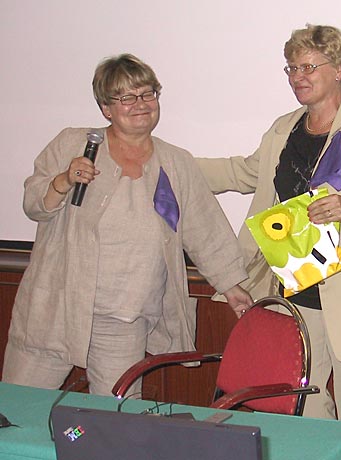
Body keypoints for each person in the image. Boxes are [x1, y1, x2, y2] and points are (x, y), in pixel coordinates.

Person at [197, 25, 341, 427]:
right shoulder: (284, 128)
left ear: (340, 69)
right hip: (297, 293)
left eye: (308, 67)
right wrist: (172, 165)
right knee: (302, 412)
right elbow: (245, 172)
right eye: (291, 68)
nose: (297, 77)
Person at [2, 53, 252, 396]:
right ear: (106, 108)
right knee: (19, 407)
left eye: (148, 93)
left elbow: (204, 228)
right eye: (126, 97)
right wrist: (63, 180)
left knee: (118, 414)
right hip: (55, 308)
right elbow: (33, 204)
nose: (140, 104)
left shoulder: (175, 162)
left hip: (124, 318)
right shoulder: (73, 143)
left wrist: (232, 286)